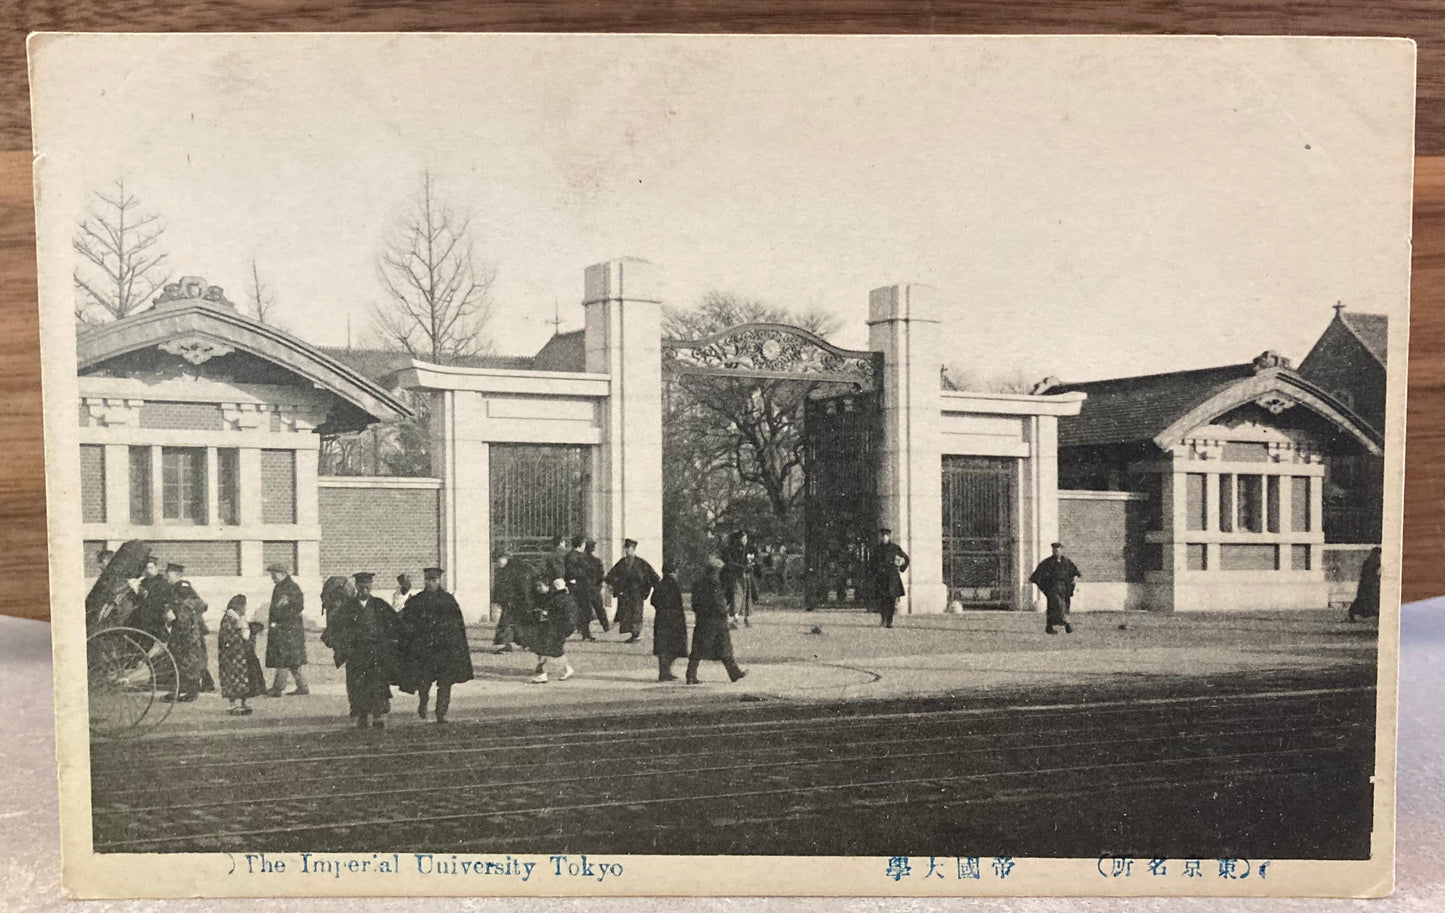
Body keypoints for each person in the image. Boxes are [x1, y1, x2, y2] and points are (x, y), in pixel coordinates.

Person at [397, 567, 474, 724]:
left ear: (439, 581)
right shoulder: (417, 601)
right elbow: (406, 623)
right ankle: (423, 702)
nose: (431, 583)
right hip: (424, 650)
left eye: (434, 580)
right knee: (424, 682)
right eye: (428, 580)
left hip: (444, 650)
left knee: (445, 682)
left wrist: (455, 647)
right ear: (424, 581)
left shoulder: (448, 601)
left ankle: (441, 712)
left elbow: (457, 626)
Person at [327, 572, 401, 730]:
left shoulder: (380, 605)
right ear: (356, 587)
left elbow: (395, 623)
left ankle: (378, 716)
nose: (364, 590)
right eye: (361, 587)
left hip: (376, 652)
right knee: (357, 685)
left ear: (371, 587)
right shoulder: (347, 607)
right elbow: (335, 628)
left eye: (367, 586)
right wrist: (342, 647)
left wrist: (391, 642)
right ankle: (361, 716)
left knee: (377, 684)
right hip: (356, 654)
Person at [687, 557, 747, 684]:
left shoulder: (698, 583)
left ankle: (691, 675)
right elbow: (718, 603)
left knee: (698, 649)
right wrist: (725, 611)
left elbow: (694, 603)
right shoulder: (715, 584)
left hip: (702, 620)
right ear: (715, 570)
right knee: (725, 647)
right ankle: (734, 673)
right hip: (717, 621)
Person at [162, 563, 207, 702]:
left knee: (189, 660)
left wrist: (178, 614)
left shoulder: (183, 587)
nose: (166, 576)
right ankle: (178, 689)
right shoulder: (172, 588)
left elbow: (200, 604)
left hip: (189, 630)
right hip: (179, 629)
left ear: (177, 575)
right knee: (176, 658)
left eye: (168, 574)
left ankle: (192, 692)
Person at [264, 563, 310, 696]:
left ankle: (278, 688)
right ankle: (303, 686)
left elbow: (298, 606)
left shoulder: (291, 588)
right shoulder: (280, 587)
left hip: (288, 629)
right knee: (293, 660)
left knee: (282, 658)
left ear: (283, 574)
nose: (272, 577)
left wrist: (287, 604)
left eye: (274, 575)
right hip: (284, 629)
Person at [604, 538, 660, 644]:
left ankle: (637, 634)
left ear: (633, 549)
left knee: (637, 613)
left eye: (629, 548)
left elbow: (654, 576)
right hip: (625, 594)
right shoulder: (622, 562)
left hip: (637, 593)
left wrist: (649, 590)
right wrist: (615, 586)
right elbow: (610, 576)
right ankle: (633, 634)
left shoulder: (641, 563)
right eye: (625, 548)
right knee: (627, 614)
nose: (626, 550)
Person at [217, 595, 264, 716]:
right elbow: (227, 637)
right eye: (244, 605)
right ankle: (233, 703)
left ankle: (242, 702)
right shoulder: (230, 618)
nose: (246, 608)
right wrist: (243, 633)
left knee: (244, 678)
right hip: (233, 655)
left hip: (241, 654)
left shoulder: (238, 618)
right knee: (235, 678)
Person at [524, 578, 578, 684]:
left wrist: (545, 614)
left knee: (545, 649)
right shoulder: (566, 597)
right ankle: (566, 669)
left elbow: (555, 614)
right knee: (555, 651)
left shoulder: (557, 599)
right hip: (560, 628)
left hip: (555, 628)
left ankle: (543, 674)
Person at [1030, 542, 1082, 635]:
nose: (1056, 552)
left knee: (1061, 606)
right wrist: (1044, 588)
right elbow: (1036, 576)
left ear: (1062, 550)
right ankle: (1068, 625)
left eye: (1057, 550)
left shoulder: (1066, 562)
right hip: (1053, 588)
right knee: (1059, 605)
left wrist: (1075, 578)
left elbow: (1075, 572)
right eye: (1054, 550)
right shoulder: (1047, 562)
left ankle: (1049, 627)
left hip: (1065, 589)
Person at [651, 562, 688, 682]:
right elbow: (678, 603)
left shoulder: (660, 584)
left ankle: (664, 672)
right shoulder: (674, 585)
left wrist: (661, 608)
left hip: (661, 619)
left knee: (663, 647)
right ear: (673, 572)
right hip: (673, 620)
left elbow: (653, 600)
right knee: (673, 646)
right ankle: (665, 672)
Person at [491, 547, 532, 653]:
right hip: (511, 600)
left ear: (505, 557)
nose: (497, 562)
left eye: (498, 559)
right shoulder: (505, 569)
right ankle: (522, 643)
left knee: (507, 623)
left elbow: (522, 586)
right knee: (514, 622)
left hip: (515, 600)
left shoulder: (515, 569)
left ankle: (504, 644)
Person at [872, 528, 910, 629]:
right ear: (881, 537)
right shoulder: (877, 549)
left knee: (891, 600)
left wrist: (901, 568)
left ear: (889, 537)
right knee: (883, 599)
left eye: (886, 536)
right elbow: (873, 563)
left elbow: (906, 558)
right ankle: (883, 619)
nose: (884, 538)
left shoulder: (895, 548)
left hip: (892, 577)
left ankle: (890, 621)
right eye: (883, 536)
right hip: (882, 577)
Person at [721, 530, 758, 629]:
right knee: (737, 595)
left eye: (746, 539)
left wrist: (751, 564)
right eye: (743, 538)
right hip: (737, 576)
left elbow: (754, 560)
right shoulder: (733, 550)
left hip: (747, 576)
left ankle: (746, 619)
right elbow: (729, 562)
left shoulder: (748, 549)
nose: (745, 540)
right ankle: (736, 619)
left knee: (747, 596)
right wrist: (741, 567)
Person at [564, 536, 598, 640]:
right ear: (579, 544)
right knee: (580, 610)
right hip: (576, 587)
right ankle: (581, 632)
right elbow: (572, 571)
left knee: (585, 610)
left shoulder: (581, 555)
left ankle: (585, 633)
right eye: (583, 544)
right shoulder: (571, 556)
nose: (585, 546)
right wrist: (585, 573)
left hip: (584, 586)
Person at [132, 556, 171, 643]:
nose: (149, 570)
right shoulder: (144, 582)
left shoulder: (162, 582)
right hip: (144, 614)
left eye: (151, 567)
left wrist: (140, 591)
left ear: (156, 568)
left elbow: (156, 600)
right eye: (147, 568)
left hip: (156, 615)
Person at [1348, 546, 1383, 622]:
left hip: (1366, 588)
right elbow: (1375, 575)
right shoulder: (1375, 563)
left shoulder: (1369, 562)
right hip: (1369, 589)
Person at [583, 540, 610, 632]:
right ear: (593, 549)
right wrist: (598, 586)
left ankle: (585, 630)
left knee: (585, 609)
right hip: (594, 588)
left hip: (584, 588)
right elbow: (601, 575)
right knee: (599, 608)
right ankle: (605, 626)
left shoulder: (581, 560)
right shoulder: (597, 561)